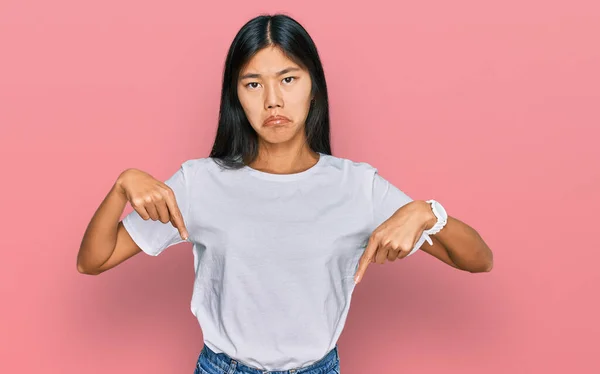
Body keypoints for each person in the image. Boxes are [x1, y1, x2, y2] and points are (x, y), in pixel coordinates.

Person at [76, 13, 493, 374]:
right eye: (253, 84)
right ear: (236, 97)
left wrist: (427, 212)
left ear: (314, 87)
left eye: (288, 79)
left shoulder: (356, 186)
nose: (273, 100)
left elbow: (478, 259)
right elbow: (93, 261)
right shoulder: (199, 182)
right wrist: (120, 187)